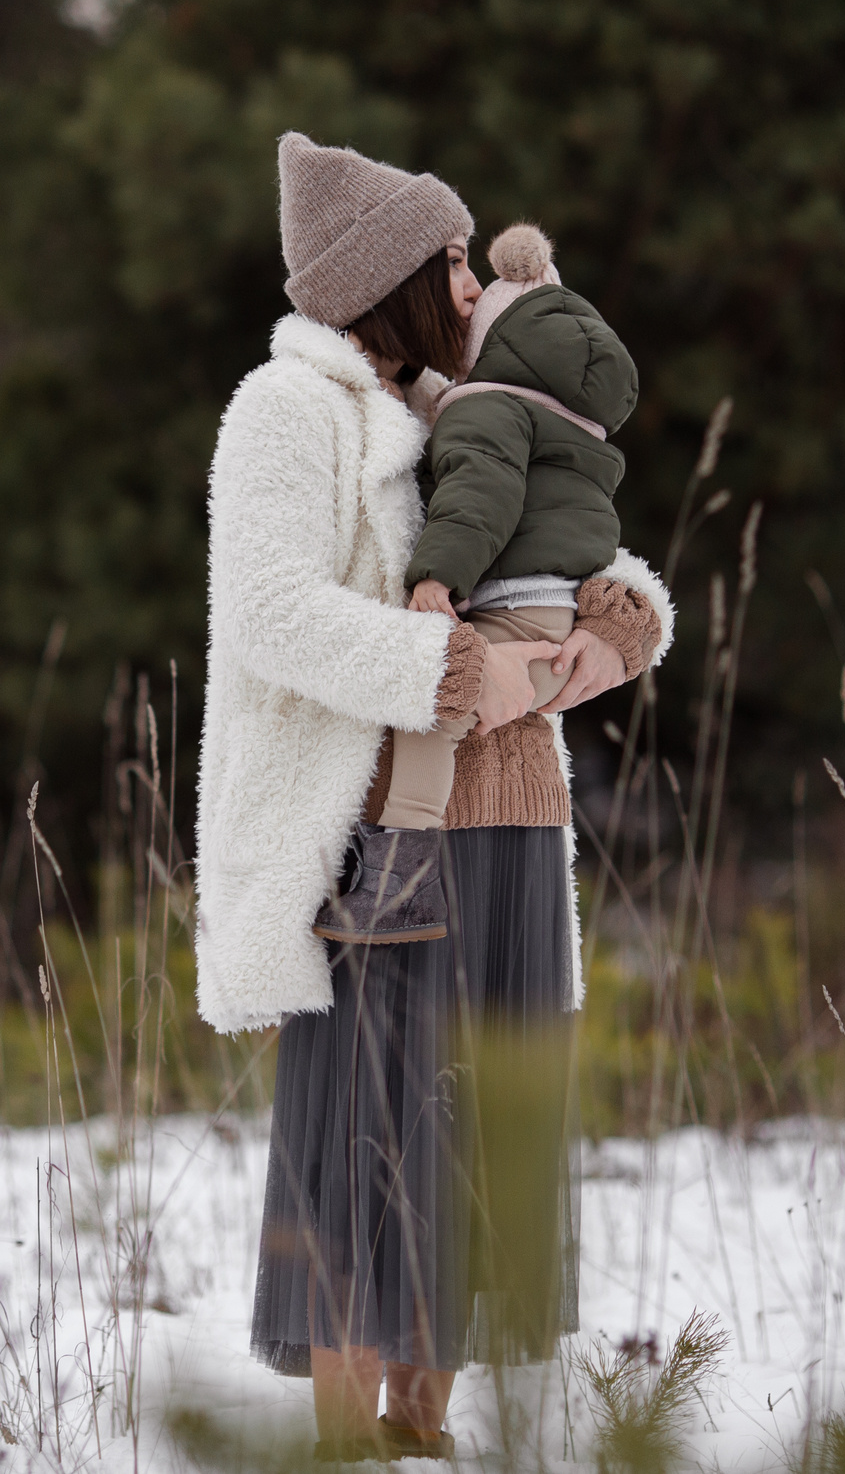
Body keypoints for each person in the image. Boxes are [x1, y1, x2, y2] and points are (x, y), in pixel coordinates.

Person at [195, 133, 673, 1459]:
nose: (473, 282)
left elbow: (574, 546)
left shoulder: (466, 404)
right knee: (360, 1151)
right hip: (374, 828)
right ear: (392, 275)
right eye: (453, 258)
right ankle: (349, 1441)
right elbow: (269, 610)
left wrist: (623, 623)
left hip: (513, 822)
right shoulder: (286, 411)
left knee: (481, 1145)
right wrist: (460, 669)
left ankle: (425, 1429)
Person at [378, 222, 638, 838]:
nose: (468, 292)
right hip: (559, 623)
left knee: (431, 710)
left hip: (514, 621)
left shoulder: (484, 406)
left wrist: (437, 574)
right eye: (452, 267)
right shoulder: (576, 427)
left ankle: (400, 842)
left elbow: (479, 496)